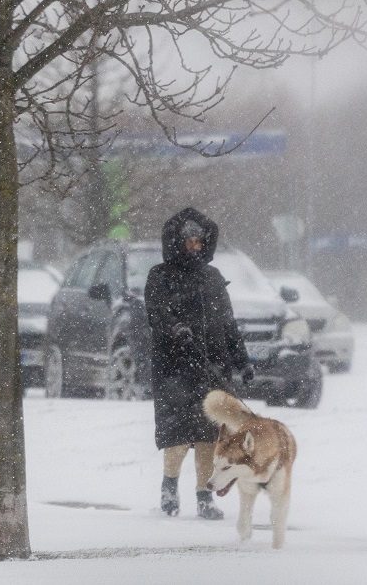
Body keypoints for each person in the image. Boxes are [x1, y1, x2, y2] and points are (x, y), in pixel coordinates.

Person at [144, 207, 255, 519]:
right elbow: (156, 313)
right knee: (177, 433)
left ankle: (204, 495)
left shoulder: (212, 279)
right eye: (189, 241)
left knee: (209, 434)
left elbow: (229, 325)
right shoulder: (160, 277)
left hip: (213, 368)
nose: (195, 246)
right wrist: (175, 329)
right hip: (174, 367)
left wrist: (241, 362)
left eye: (199, 241)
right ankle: (169, 485)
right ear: (176, 242)